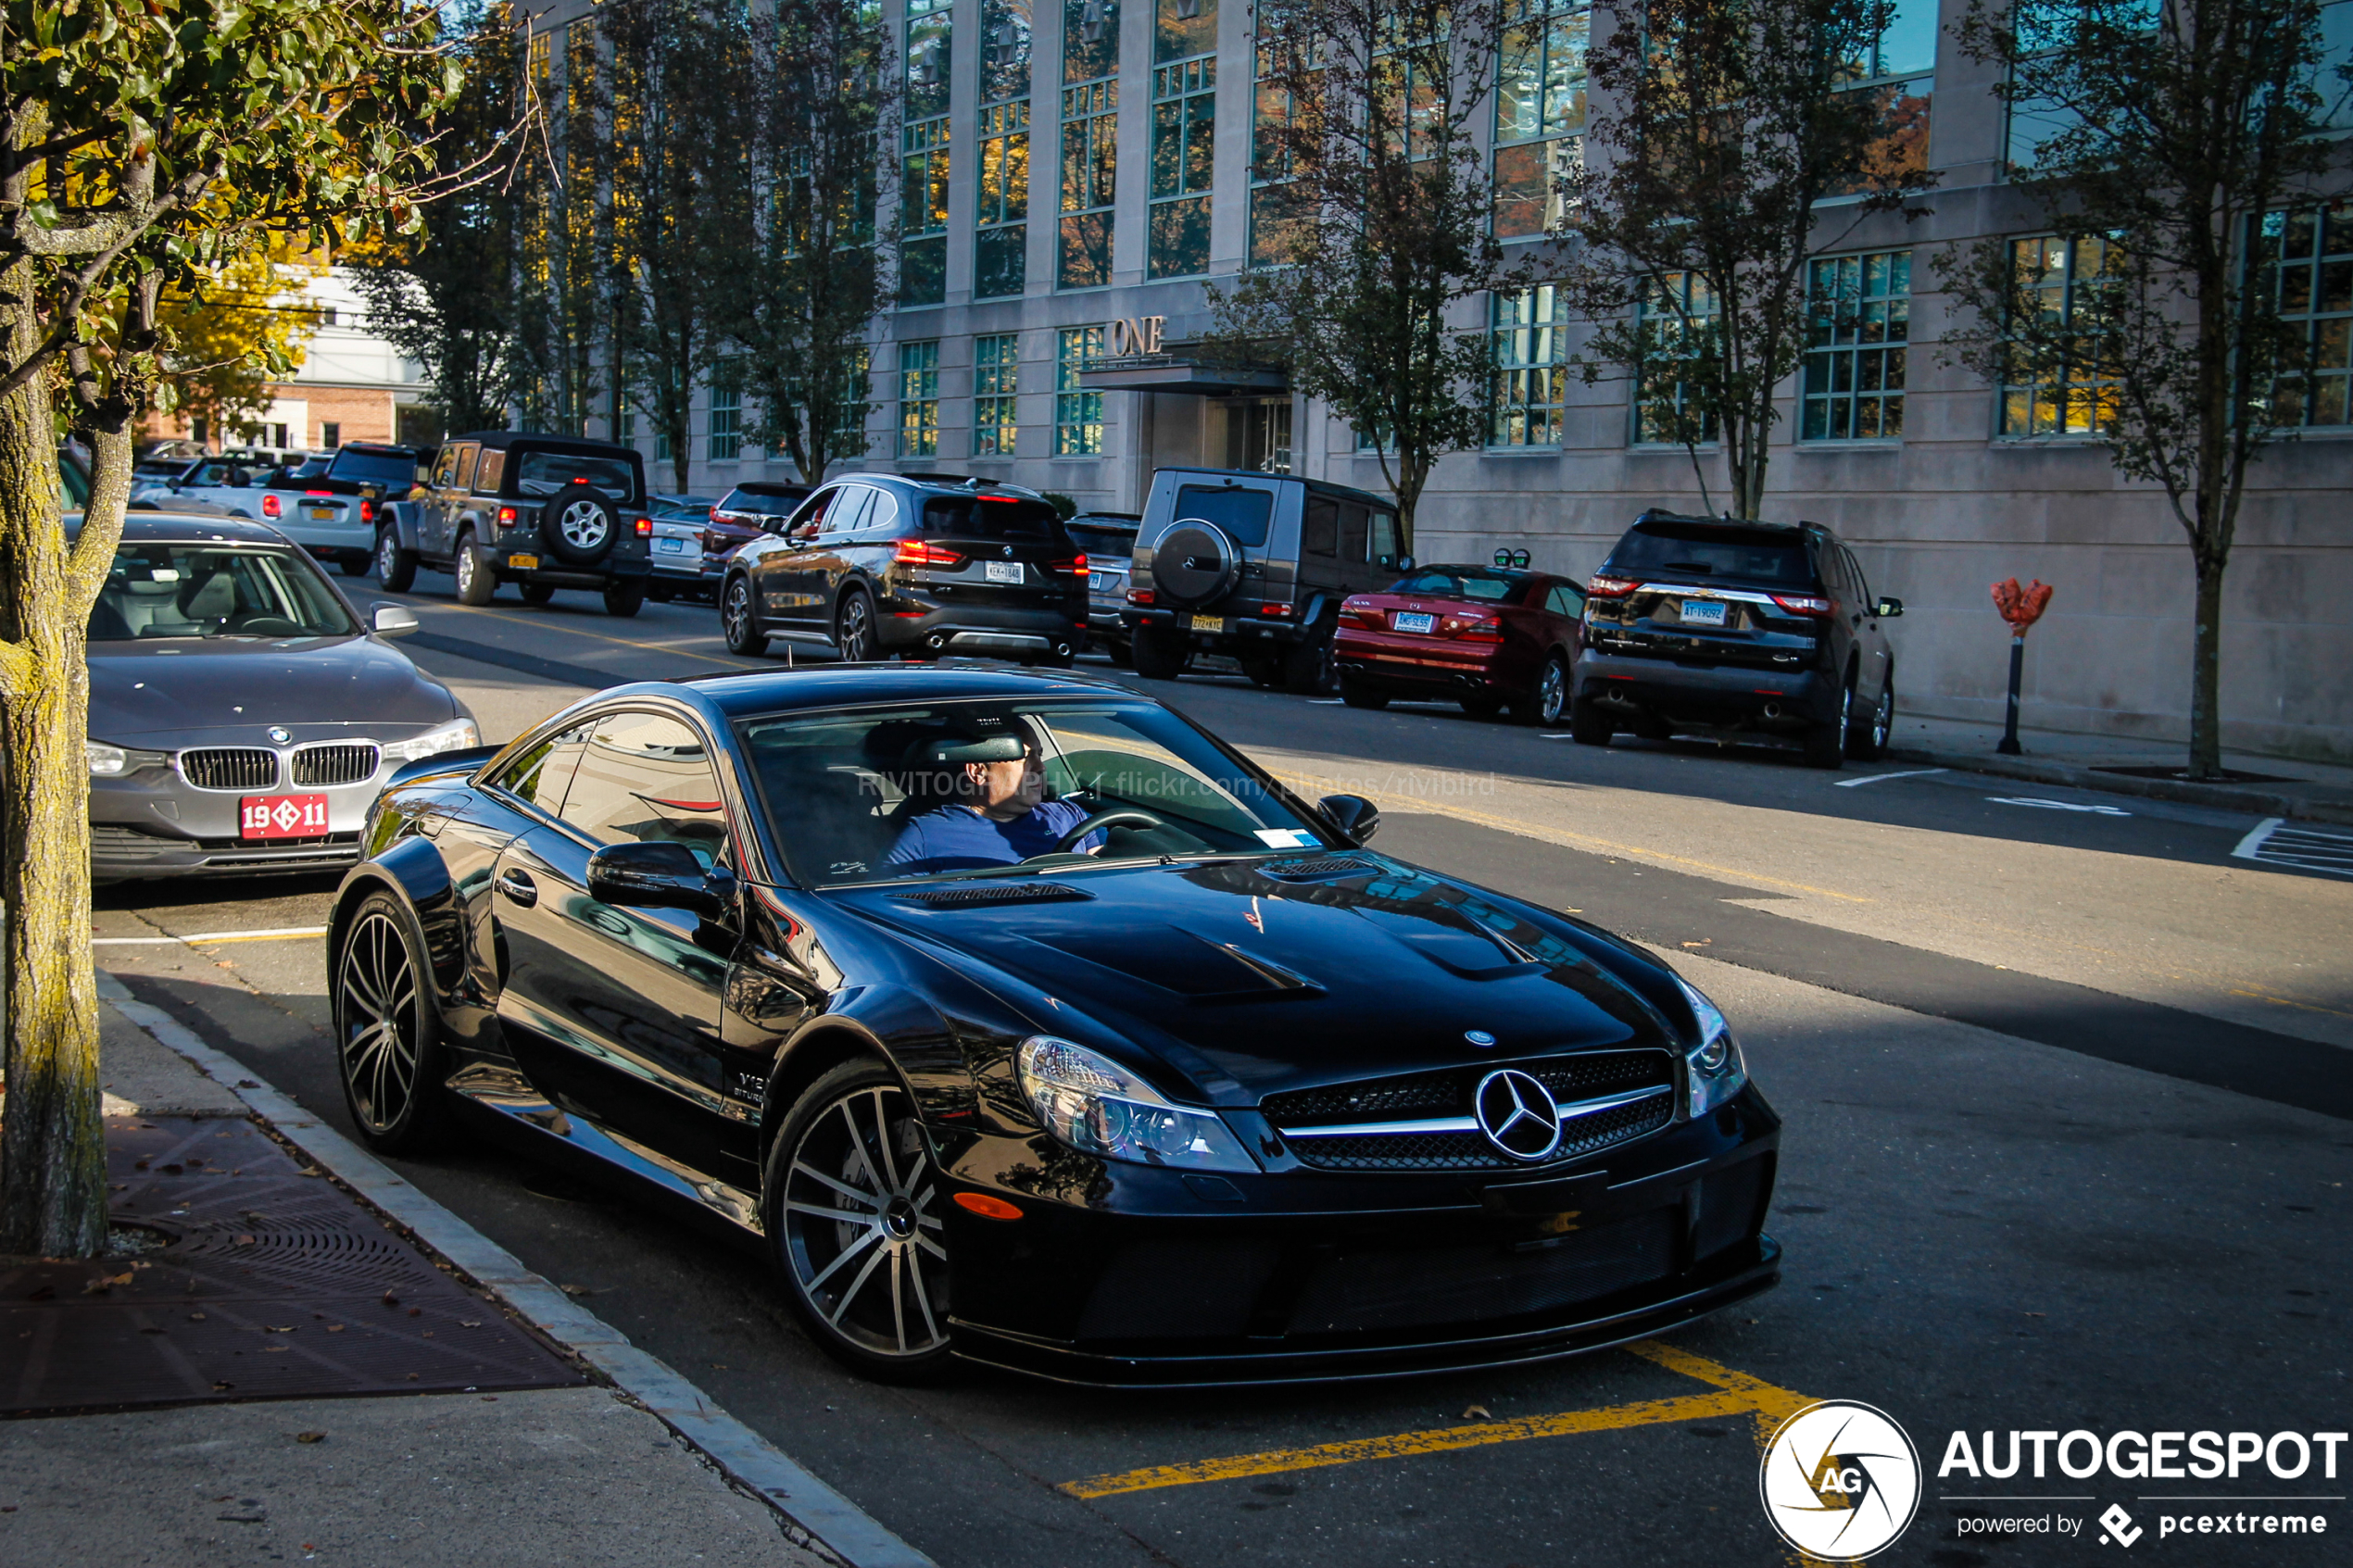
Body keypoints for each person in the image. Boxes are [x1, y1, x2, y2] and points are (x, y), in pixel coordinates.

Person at [884, 732, 1104, 873]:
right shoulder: (924, 837)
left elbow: (1114, 870)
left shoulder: (1071, 816)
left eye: (1039, 755)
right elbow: (886, 910)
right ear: (978, 772)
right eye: (1024, 758)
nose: (1040, 767)